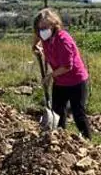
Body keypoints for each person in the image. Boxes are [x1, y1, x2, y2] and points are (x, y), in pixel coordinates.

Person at [32, 8, 91, 139]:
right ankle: (60, 138)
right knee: (57, 111)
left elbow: (67, 66)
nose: (42, 30)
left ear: (54, 25)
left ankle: (88, 141)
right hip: (60, 81)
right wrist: (35, 47)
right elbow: (36, 39)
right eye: (40, 28)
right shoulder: (43, 35)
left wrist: (50, 76)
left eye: (45, 27)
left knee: (78, 113)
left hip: (76, 80)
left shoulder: (63, 40)